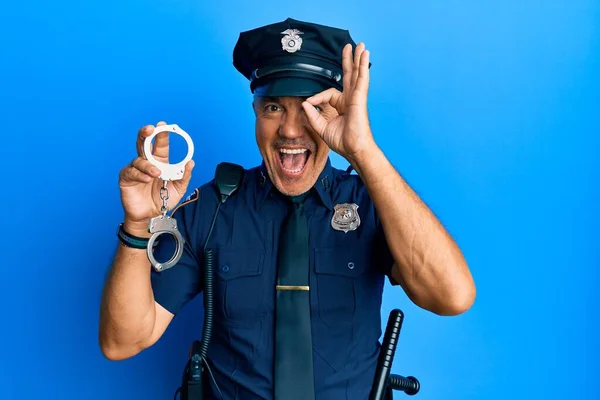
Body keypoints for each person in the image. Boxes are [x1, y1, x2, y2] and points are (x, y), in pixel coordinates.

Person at [99, 17, 476, 400]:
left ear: (336, 112)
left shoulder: (372, 203)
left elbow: (452, 296)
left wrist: (363, 150)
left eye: (309, 108)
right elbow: (123, 341)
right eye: (274, 107)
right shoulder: (213, 207)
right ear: (255, 113)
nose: (291, 130)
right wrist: (138, 224)